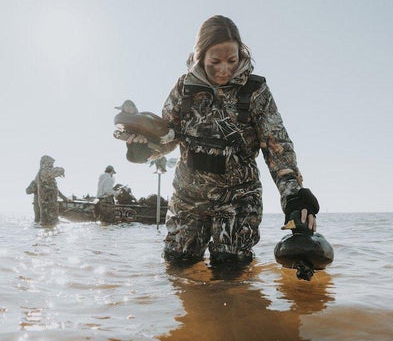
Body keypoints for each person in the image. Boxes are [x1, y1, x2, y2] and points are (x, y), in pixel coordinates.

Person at [122, 15, 319, 266]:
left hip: (238, 200)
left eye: (232, 60)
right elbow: (168, 138)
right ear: (200, 56)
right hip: (188, 199)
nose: (224, 69)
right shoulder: (183, 89)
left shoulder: (256, 91)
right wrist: (143, 149)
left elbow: (277, 148)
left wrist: (293, 198)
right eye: (215, 61)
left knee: (231, 272)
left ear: (240, 54)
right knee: (178, 267)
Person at [30, 155, 65, 226]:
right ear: (45, 163)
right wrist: (62, 170)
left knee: (52, 225)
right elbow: (57, 171)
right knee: (48, 225)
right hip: (47, 205)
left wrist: (64, 198)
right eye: (50, 163)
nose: (52, 165)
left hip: (51, 204)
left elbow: (56, 190)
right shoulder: (43, 172)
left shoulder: (46, 175)